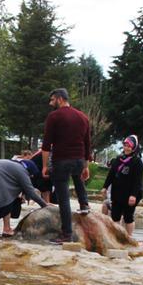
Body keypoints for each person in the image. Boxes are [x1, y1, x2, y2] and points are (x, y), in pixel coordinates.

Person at [40, 88, 92, 244]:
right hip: (78, 160)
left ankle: (66, 234)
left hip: (62, 160)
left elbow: (46, 144)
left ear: (60, 99)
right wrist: (86, 166)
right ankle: (84, 204)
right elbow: (87, 144)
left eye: (52, 100)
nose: (51, 103)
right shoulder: (83, 117)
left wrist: (44, 166)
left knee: (63, 199)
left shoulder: (54, 117)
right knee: (78, 179)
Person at [0, 159, 48, 237]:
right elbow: (31, 192)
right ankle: (7, 229)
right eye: (31, 175)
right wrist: (45, 205)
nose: (31, 177)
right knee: (8, 199)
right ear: (29, 170)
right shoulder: (22, 170)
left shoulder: (12, 164)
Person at [101, 135, 143, 237]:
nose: (126, 148)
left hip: (131, 193)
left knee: (128, 216)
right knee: (115, 215)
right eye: (125, 145)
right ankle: (117, 237)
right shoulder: (118, 159)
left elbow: (137, 181)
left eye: (129, 146)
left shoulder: (137, 162)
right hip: (118, 192)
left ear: (134, 147)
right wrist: (105, 187)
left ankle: (129, 237)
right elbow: (111, 175)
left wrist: (133, 195)